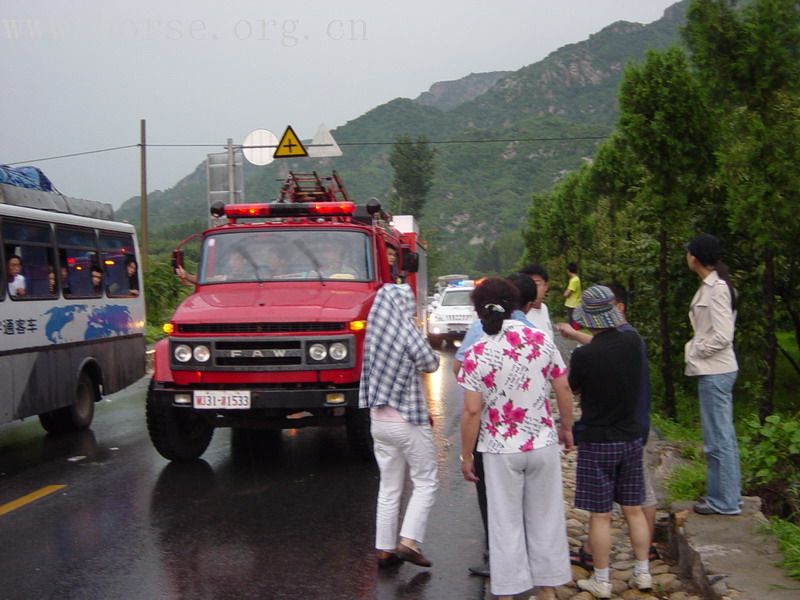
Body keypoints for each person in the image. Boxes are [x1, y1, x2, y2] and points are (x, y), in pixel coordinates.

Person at [458, 277, 574, 600]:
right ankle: (548, 590)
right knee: (545, 519)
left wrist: (466, 456)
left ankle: (508, 593)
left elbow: (470, 412)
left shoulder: (477, 351)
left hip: (499, 449)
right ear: (515, 304)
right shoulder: (540, 340)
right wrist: (566, 428)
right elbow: (562, 388)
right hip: (542, 444)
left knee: (504, 524)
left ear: (480, 310)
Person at [556, 283, 658, 568]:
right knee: (634, 508)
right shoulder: (633, 342)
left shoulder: (584, 356)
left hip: (597, 439)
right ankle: (644, 570)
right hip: (631, 435)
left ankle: (600, 575)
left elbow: (572, 388)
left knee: (600, 514)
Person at [359, 284, 440, 569]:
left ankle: (384, 549)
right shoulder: (406, 330)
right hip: (407, 419)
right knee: (425, 480)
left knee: (389, 486)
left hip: (378, 421)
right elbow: (430, 363)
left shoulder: (373, 334)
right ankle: (409, 542)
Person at [685, 233, 741, 516]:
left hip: (715, 370)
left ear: (694, 257)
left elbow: (722, 335)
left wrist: (697, 349)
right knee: (719, 436)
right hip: (714, 370)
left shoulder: (717, 288)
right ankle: (723, 495)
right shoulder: (711, 285)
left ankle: (726, 501)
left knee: (719, 438)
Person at [520, 263, 554, 339]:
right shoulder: (521, 314)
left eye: (536, 284)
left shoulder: (544, 308)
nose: (532, 289)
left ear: (546, 286)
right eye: (528, 285)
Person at [563, 262, 581, 327]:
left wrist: (564, 294)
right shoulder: (577, 279)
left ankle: (573, 334)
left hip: (572, 304)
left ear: (568, 270)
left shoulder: (574, 280)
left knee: (572, 322)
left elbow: (568, 293)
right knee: (575, 321)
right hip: (575, 303)